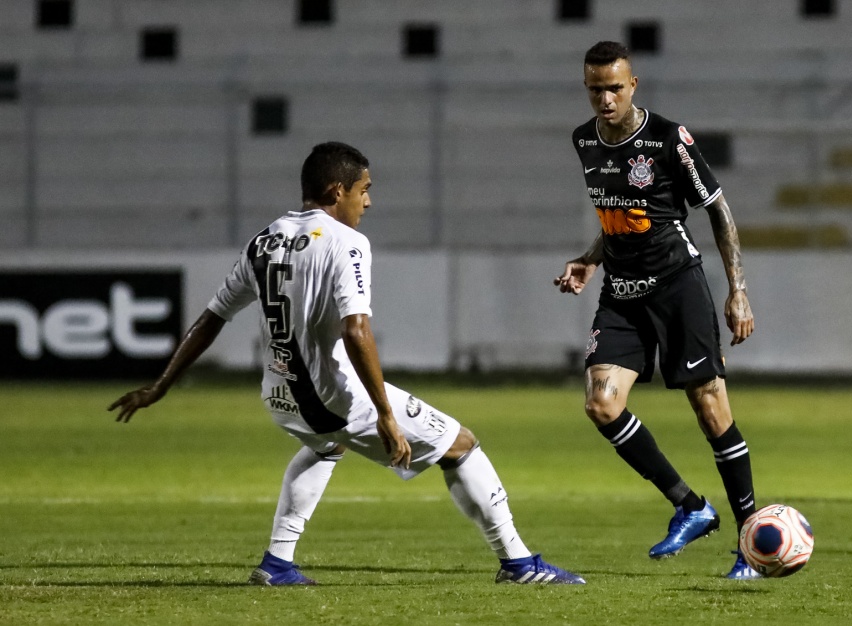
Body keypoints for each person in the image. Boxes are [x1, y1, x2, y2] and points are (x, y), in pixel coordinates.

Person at [109, 141, 584, 586]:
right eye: (365, 190)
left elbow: (211, 317)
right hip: (330, 395)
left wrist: (161, 386)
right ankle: (519, 562)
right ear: (338, 191)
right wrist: (385, 414)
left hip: (280, 395)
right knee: (461, 445)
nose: (368, 203)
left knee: (324, 448)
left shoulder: (264, 240)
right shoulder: (344, 242)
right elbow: (356, 330)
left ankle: (277, 564)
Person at [553, 41, 760, 580]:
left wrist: (737, 287)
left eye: (614, 87)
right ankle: (690, 506)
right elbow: (618, 215)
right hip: (622, 291)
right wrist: (590, 260)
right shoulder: (583, 142)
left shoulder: (669, 139)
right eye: (595, 89)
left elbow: (718, 210)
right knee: (601, 404)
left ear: (633, 85)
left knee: (710, 408)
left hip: (676, 286)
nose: (604, 99)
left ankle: (751, 542)